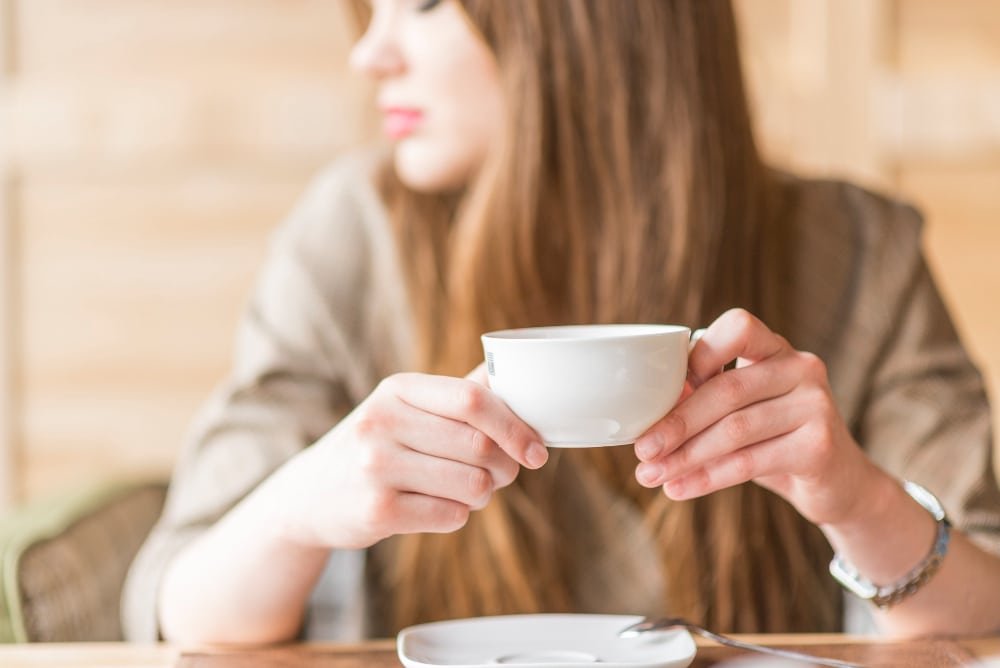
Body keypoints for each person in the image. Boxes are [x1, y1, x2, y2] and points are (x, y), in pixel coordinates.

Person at [123, 0, 1000, 644]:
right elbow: (170, 610)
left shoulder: (857, 252)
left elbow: (985, 621)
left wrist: (856, 499)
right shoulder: (354, 234)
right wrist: (297, 508)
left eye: (422, 5)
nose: (371, 53)